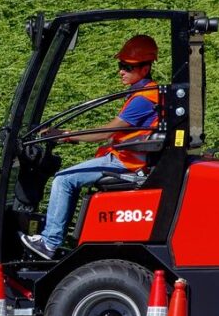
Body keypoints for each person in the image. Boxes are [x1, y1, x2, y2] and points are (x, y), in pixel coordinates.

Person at [20, 35, 161, 260]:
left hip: (127, 164)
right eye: (120, 65)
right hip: (127, 159)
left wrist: (66, 136)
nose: (121, 71)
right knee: (71, 180)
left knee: (63, 179)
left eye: (127, 67)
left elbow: (106, 133)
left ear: (145, 68)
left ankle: (49, 242)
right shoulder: (144, 93)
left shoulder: (144, 98)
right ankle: (56, 238)